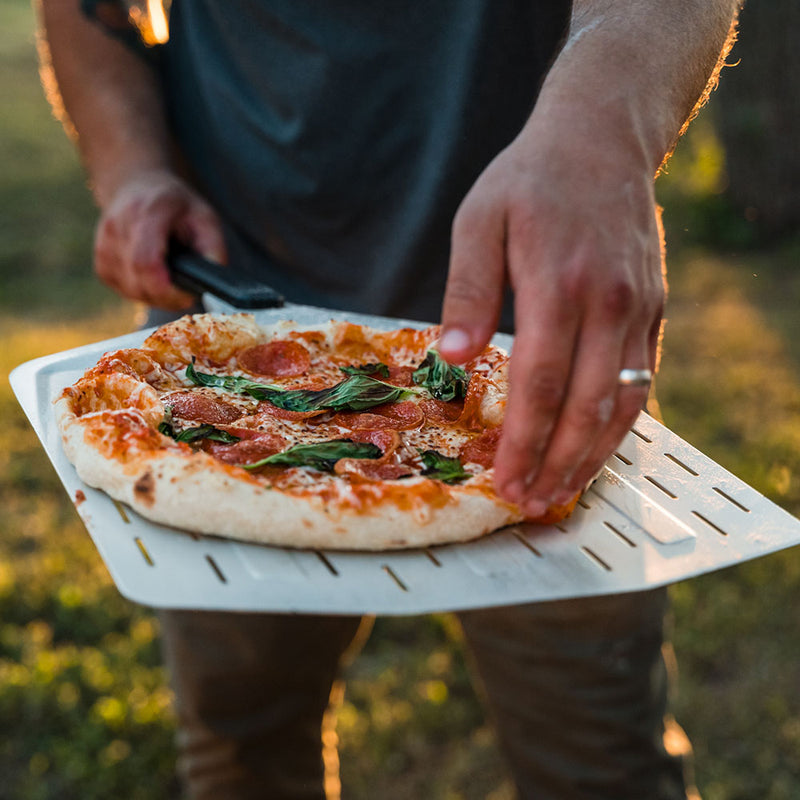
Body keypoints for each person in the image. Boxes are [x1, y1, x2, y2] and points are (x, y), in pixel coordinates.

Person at [37, 1, 741, 797]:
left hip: (540, 345)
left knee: (599, 764)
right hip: (223, 317)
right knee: (244, 758)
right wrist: (134, 170)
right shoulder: (138, 411)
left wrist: (603, 133)